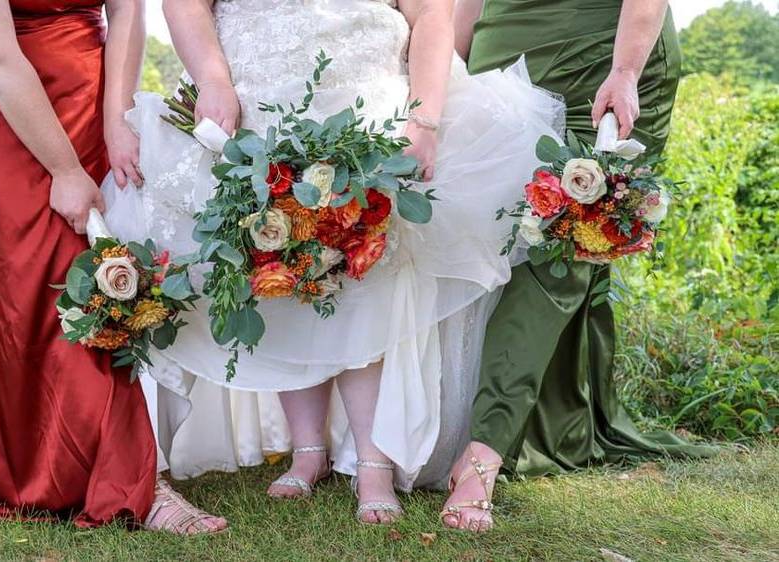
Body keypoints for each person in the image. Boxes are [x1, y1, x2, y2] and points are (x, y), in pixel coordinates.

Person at [103, 0, 563, 525]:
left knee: (365, 272)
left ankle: (373, 464)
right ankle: (308, 450)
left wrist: (425, 116)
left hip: (364, 98)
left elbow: (433, 15)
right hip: (256, 97)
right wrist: (211, 76)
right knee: (277, 266)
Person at [0, 0, 224, 534]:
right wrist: (64, 168)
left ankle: (125, 468)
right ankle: (92, 477)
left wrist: (116, 121)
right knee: (35, 293)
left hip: (92, 96)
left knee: (110, 277)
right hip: (3, 112)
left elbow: (128, 10)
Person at [443, 0, 716, 532]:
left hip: (607, 52)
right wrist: (451, 67)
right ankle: (558, 427)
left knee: (564, 244)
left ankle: (485, 453)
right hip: (507, 52)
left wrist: (626, 71)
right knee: (491, 233)